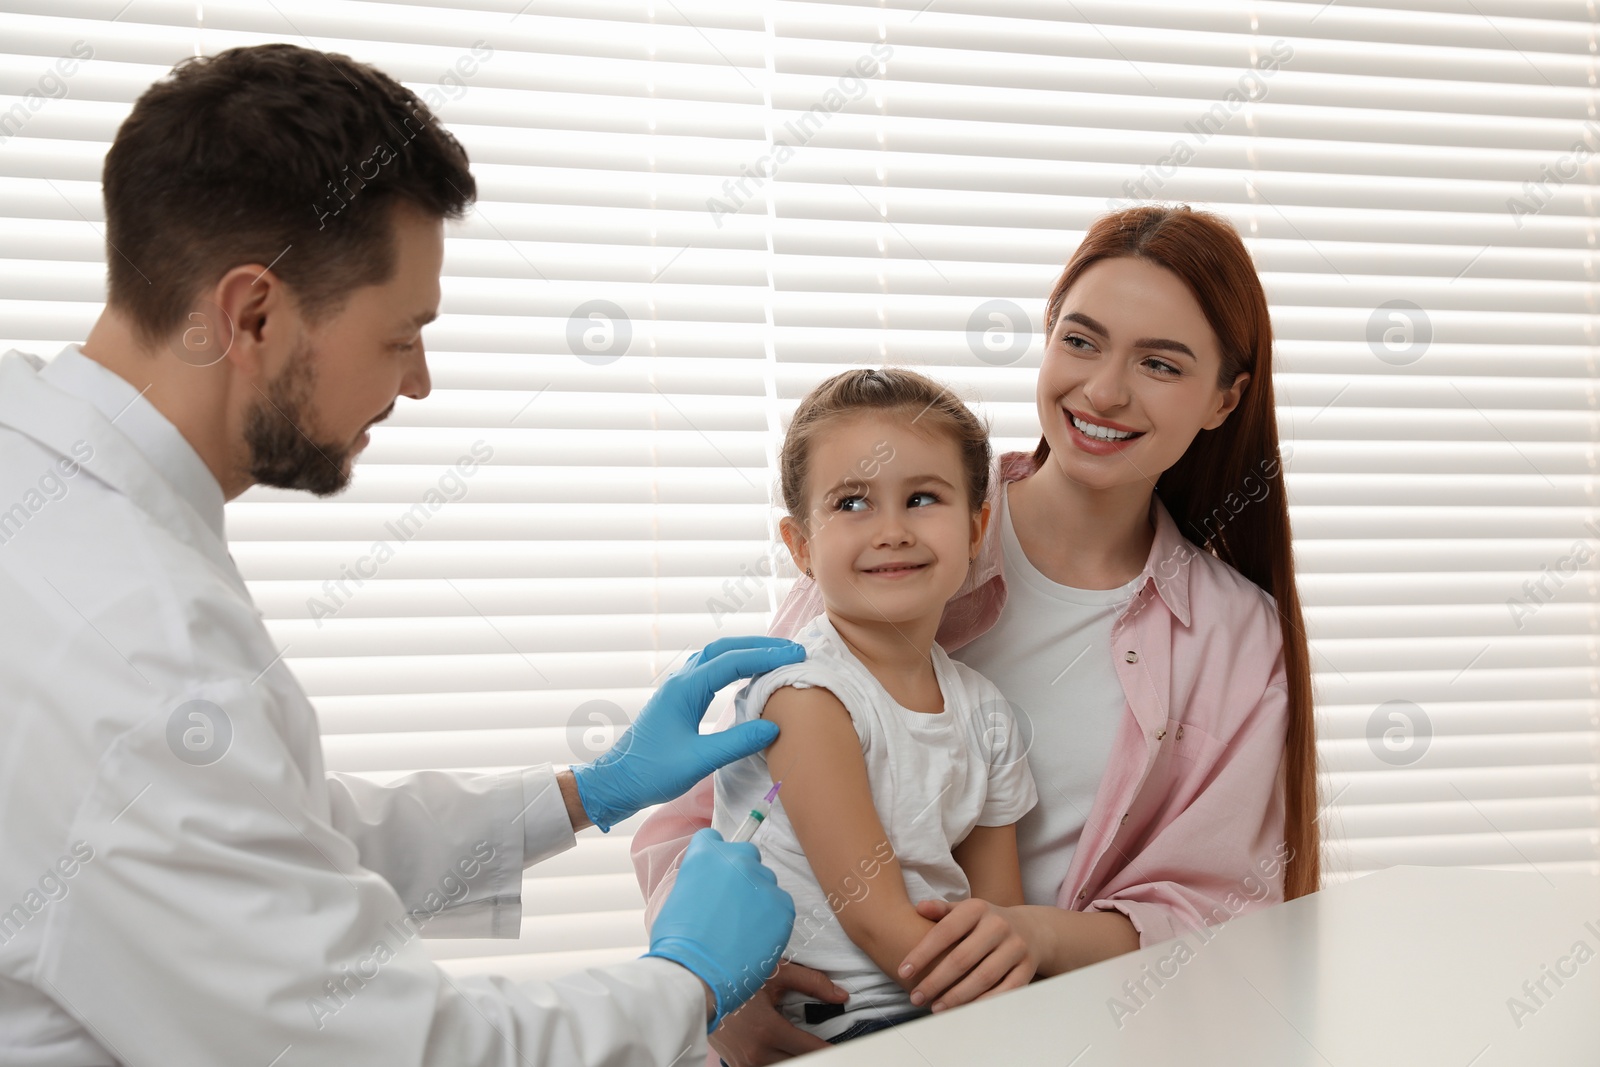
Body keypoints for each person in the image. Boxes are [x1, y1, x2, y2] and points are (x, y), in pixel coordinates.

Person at [0, 44, 804, 1067]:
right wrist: (684, 978)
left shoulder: (43, 468)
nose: (418, 381)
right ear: (253, 314)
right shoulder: (131, 644)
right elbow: (382, 1050)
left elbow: (263, 837)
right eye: (400, 334)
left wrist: (584, 792)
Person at [633, 205, 1320, 1065]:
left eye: (1159, 363)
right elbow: (704, 815)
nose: (1104, 390)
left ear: (1225, 398)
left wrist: (1040, 938)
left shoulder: (1233, 636)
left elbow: (1223, 912)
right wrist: (707, 987)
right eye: (1080, 340)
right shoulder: (899, 536)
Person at [712, 368, 1037, 1045]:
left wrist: (1009, 1005)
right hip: (839, 1020)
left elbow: (999, 914)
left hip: (943, 1005)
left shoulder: (988, 714)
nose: (891, 529)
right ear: (802, 545)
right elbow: (876, 920)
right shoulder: (807, 698)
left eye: (922, 497)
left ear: (978, 527)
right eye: (853, 503)